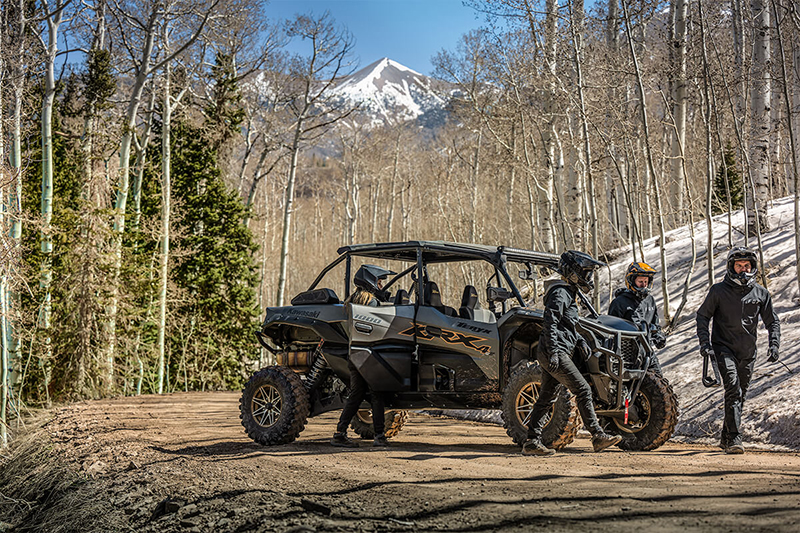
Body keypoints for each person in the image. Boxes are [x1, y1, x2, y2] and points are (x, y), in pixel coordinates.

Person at [522, 250, 623, 456]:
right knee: (583, 390)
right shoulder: (560, 292)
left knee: (546, 398)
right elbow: (550, 322)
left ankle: (532, 442)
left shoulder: (568, 292)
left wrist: (579, 341)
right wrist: (553, 353)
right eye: (585, 272)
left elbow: (567, 325)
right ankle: (597, 435)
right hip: (555, 351)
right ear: (573, 272)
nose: (588, 277)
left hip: (558, 349)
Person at [696, 247, 780, 454]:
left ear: (753, 267)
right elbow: (702, 316)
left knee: (740, 395)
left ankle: (726, 436)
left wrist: (774, 343)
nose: (743, 269)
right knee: (733, 389)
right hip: (723, 348)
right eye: (739, 265)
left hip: (748, 352)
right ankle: (735, 438)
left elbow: (773, 321)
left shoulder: (761, 293)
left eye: (747, 265)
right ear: (731, 267)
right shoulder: (718, 291)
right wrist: (705, 344)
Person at [331, 264, 396, 448]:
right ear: (371, 282)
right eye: (380, 282)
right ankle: (379, 436)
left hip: (354, 355)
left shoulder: (351, 301)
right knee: (376, 394)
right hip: (369, 355)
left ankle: (340, 433)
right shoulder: (371, 303)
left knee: (356, 395)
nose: (381, 286)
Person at [608, 262, 667, 375]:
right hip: (627, 356)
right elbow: (611, 330)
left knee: (660, 384)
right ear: (631, 281)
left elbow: (655, 324)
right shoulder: (619, 303)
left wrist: (658, 335)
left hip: (647, 352)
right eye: (640, 282)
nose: (644, 285)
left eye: (646, 281)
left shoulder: (650, 300)